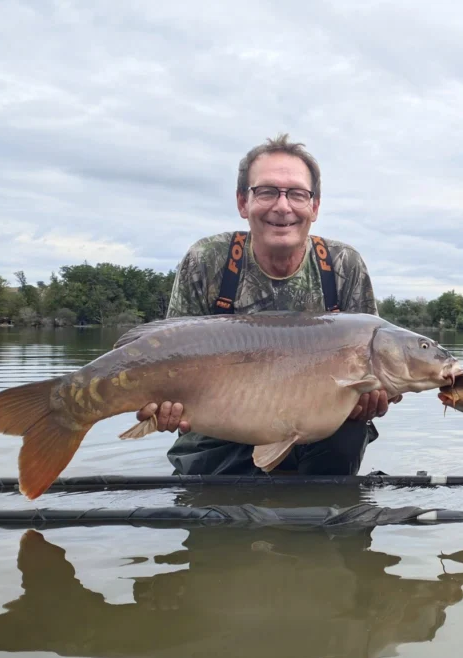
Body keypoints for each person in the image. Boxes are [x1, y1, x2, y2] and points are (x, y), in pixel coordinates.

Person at [133, 134, 397, 475]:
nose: (283, 207)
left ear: (314, 206)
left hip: (322, 433)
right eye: (267, 191)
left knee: (345, 433)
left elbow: (370, 373)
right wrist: (161, 407)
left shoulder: (344, 265)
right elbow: (167, 352)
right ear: (243, 202)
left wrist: (373, 401)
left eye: (297, 194)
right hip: (219, 429)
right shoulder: (208, 260)